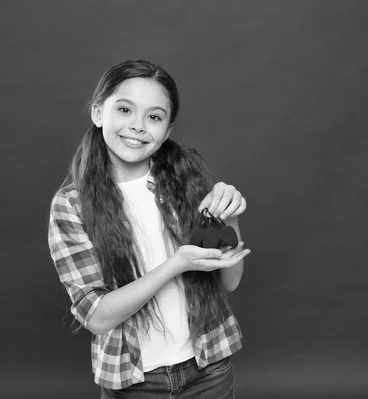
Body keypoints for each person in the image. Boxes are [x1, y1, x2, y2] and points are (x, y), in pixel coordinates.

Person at [47, 59, 250, 398]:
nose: (138, 126)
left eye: (154, 117)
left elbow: (230, 281)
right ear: (99, 113)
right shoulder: (72, 205)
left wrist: (229, 215)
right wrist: (175, 265)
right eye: (125, 109)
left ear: (167, 130)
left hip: (210, 368)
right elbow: (96, 317)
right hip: (134, 381)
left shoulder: (188, 182)